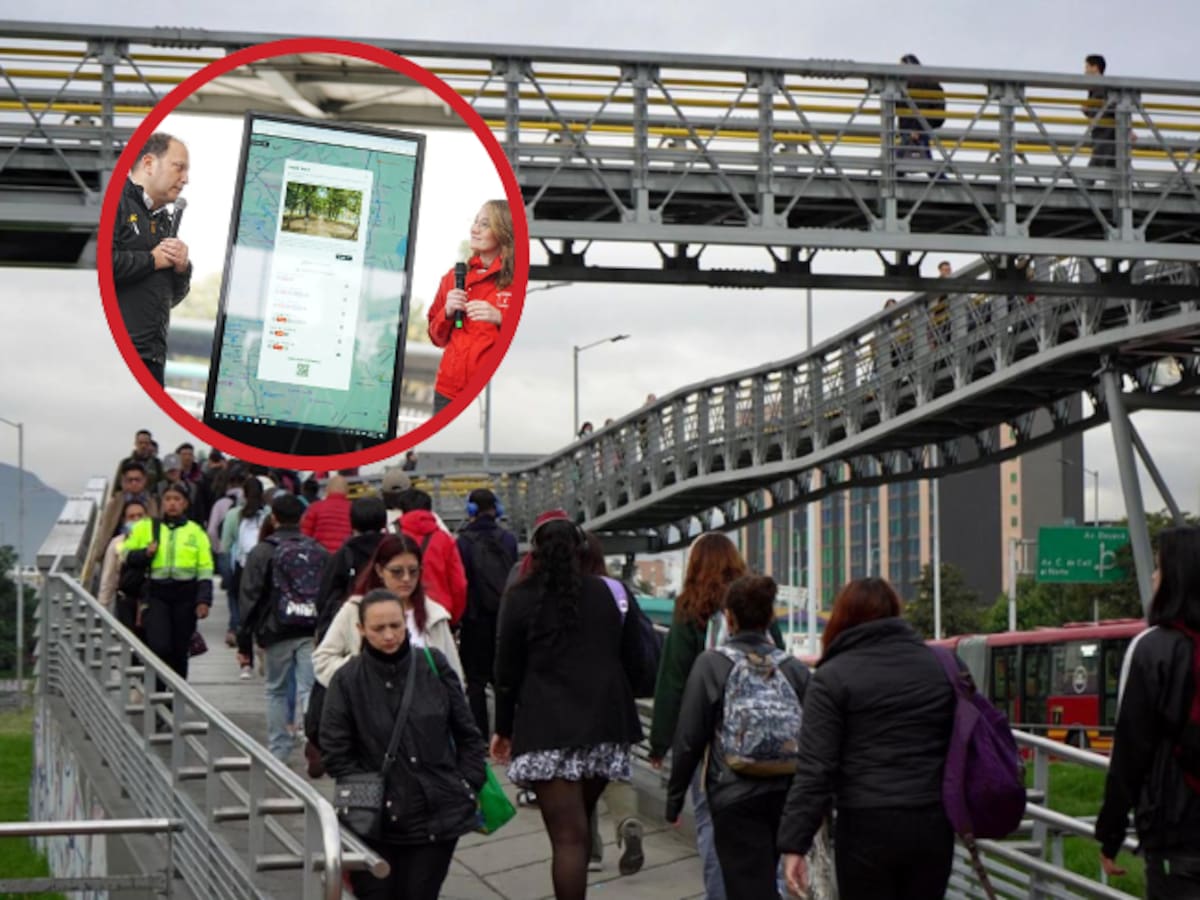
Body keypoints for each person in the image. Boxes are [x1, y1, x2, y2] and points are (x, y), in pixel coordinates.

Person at [778, 577, 957, 900]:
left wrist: (794, 844)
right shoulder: (941, 666)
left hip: (866, 826)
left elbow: (815, 770)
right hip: (932, 823)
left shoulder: (832, 677)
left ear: (843, 618)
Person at [492, 518, 642, 900]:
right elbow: (635, 659)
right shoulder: (611, 593)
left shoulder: (520, 597)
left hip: (546, 727)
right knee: (579, 824)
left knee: (568, 840)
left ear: (535, 554)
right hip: (605, 725)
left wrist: (504, 728)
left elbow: (505, 672)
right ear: (582, 550)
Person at [319, 589, 486, 900]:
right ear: (361, 631)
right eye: (378, 628)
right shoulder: (348, 680)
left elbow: (467, 733)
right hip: (375, 820)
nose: (389, 635)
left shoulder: (432, 665)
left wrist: (467, 783)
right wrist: (373, 795)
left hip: (437, 813)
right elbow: (336, 751)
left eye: (395, 625)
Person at [666, 575, 809, 899]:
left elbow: (690, 737)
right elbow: (815, 736)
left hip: (733, 791)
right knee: (770, 881)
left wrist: (674, 799)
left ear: (729, 618)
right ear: (770, 618)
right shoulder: (793, 669)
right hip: (786, 791)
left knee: (744, 884)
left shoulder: (711, 664)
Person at [649, 531, 768, 899]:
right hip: (765, 742)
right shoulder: (758, 606)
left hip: (711, 751)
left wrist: (660, 743)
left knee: (714, 833)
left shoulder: (690, 611)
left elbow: (673, 684)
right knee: (765, 839)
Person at [1096, 526, 1200, 897]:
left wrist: (1110, 834)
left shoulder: (1155, 650)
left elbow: (1131, 751)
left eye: (1158, 568)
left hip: (1178, 832)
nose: (1154, 576)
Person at [237, 493, 327, 762]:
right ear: (302, 517)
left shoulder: (263, 551)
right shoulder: (318, 550)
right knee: (308, 688)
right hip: (310, 627)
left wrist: (246, 641)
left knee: (276, 689)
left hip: (275, 629)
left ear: (273, 517)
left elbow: (249, 597)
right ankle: (314, 743)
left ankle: (279, 750)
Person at [313, 533, 463, 687]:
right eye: (397, 572)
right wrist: (362, 672)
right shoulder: (354, 610)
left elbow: (454, 675)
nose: (406, 579)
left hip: (427, 707)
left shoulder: (434, 615)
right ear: (379, 570)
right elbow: (323, 661)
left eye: (413, 571)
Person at [112, 132, 191, 386]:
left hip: (152, 358)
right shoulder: (115, 203)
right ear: (148, 164)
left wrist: (181, 269)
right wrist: (152, 261)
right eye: (178, 168)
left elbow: (168, 299)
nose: (185, 180)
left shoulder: (163, 220)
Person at [426, 200, 516, 414]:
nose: (474, 229)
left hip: (491, 395)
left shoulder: (517, 283)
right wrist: (446, 313)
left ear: (503, 232)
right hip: (447, 393)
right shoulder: (452, 278)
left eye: (484, 224)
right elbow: (436, 338)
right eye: (475, 222)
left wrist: (502, 318)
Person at [121, 483, 213, 679]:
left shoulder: (195, 532)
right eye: (168, 499)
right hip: (156, 593)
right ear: (162, 502)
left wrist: (204, 600)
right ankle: (158, 692)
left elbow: (205, 568)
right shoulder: (146, 527)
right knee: (159, 645)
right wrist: (145, 553)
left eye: (177, 499)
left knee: (180, 650)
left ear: (185, 504)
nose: (172, 504)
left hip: (186, 595)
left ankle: (174, 702)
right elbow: (125, 554)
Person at [457, 488, 518, 738]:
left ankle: (480, 735)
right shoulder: (509, 540)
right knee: (504, 677)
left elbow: (462, 582)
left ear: (470, 510)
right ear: (498, 509)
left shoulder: (462, 542)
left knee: (475, 681)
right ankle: (507, 732)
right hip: (504, 617)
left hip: (474, 618)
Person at [314, 495, 388, 640]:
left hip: (353, 626)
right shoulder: (393, 551)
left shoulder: (344, 554)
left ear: (352, 522)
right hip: (389, 622)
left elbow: (324, 596)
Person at [395, 488, 467, 625]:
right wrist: (453, 618)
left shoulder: (393, 538)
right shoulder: (445, 539)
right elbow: (459, 584)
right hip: (440, 612)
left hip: (403, 613)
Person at [84, 459, 160, 588]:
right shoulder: (115, 503)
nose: (134, 483)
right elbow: (105, 529)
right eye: (130, 480)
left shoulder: (153, 502)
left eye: (137, 479)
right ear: (123, 482)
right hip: (120, 550)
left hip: (145, 552)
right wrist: (99, 554)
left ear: (144, 481)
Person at [220, 476, 270, 657]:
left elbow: (225, 545)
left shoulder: (234, 514)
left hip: (241, 568)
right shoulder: (269, 514)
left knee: (242, 611)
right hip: (266, 567)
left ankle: (244, 654)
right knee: (264, 606)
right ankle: (263, 644)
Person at [97, 498, 149, 629]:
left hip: (151, 600)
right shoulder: (117, 543)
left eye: (140, 516)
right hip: (126, 599)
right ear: (124, 521)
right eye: (131, 517)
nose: (136, 520)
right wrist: (102, 605)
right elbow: (109, 576)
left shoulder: (156, 541)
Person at [896, 54, 945, 173]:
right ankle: (943, 183)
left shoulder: (903, 85)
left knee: (897, 164)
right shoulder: (933, 83)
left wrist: (914, 128)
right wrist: (926, 127)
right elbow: (940, 113)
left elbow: (895, 107)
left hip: (909, 130)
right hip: (923, 129)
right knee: (926, 162)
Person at [300, 474, 353, 553]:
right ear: (347, 491)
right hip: (345, 559)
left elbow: (304, 536)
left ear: (327, 490)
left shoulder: (315, 507)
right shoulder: (353, 509)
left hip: (320, 557)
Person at [1083, 54, 1115, 170]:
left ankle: (1082, 188)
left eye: (1086, 67)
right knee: (1115, 173)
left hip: (1105, 136)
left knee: (1092, 172)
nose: (1085, 71)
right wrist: (1087, 111)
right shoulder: (1095, 88)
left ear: (1094, 67)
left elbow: (1113, 108)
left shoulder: (1102, 86)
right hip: (1103, 136)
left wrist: (1128, 130)